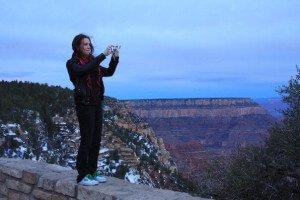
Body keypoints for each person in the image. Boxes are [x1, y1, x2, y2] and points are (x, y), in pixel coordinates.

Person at [66, 33, 119, 186]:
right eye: (85, 44)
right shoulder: (72, 63)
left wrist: (115, 57)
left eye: (89, 44)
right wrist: (103, 55)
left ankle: (92, 171)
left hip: (96, 104)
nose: (88, 46)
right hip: (84, 105)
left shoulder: (93, 63)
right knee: (86, 140)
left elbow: (109, 72)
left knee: (96, 139)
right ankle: (82, 175)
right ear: (77, 46)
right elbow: (84, 70)